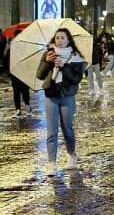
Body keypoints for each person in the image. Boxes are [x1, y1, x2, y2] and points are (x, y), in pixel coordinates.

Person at [36, 28, 86, 176]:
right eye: (57, 38)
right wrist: (47, 62)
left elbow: (76, 79)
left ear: (68, 40)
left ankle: (72, 155)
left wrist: (64, 66)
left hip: (67, 96)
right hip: (51, 95)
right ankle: (51, 163)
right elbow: (40, 75)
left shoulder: (76, 57)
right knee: (51, 130)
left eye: (62, 38)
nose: (59, 40)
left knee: (67, 128)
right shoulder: (48, 54)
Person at [9, 30, 31, 117]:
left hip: (24, 72)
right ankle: (17, 109)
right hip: (14, 73)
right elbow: (8, 59)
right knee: (16, 91)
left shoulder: (26, 48)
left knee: (25, 90)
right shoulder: (11, 47)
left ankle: (27, 105)